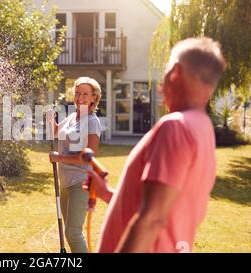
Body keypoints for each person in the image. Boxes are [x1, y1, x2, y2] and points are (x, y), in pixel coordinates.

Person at [84, 37, 227, 253]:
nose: (161, 84)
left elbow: (153, 219)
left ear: (175, 72)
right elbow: (167, 210)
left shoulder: (176, 126)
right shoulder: (202, 128)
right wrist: (107, 194)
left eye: (166, 70)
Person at [48, 77, 103, 253]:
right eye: (77, 93)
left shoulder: (92, 122)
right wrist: (51, 120)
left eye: (85, 93)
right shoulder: (73, 117)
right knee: (69, 232)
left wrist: (60, 158)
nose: (80, 97)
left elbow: (89, 156)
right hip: (65, 183)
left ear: (94, 97)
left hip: (81, 183)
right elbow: (56, 132)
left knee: (73, 232)